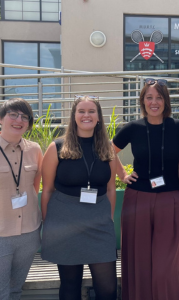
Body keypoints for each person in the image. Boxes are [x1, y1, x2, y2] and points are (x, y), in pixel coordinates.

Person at [112, 78, 179, 300]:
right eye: (149, 97)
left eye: (159, 97)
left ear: (166, 101)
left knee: (167, 263)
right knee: (139, 260)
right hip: (138, 198)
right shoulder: (133, 128)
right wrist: (123, 175)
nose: (154, 102)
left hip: (171, 198)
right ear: (142, 100)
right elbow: (108, 151)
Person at [41, 96, 117, 300]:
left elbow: (110, 188)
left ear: (99, 117)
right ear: (74, 116)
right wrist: (49, 223)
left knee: (108, 289)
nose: (86, 115)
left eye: (91, 111)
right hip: (64, 222)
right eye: (81, 111)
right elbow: (47, 189)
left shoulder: (107, 148)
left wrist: (108, 218)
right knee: (70, 286)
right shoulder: (57, 147)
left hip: (99, 223)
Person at [0, 98, 43, 300]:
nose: (19, 120)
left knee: (16, 290)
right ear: (1, 119)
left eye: (25, 116)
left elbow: (35, 185)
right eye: (13, 114)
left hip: (29, 233)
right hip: (1, 235)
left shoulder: (34, 149)